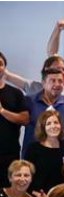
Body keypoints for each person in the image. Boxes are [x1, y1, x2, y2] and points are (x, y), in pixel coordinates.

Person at [24, 110, 64, 192]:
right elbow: (26, 175)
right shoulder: (33, 149)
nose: (53, 126)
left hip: (62, 194)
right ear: (43, 128)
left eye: (56, 123)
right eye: (48, 124)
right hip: (38, 195)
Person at [0, 51, 29, 187]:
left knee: (8, 190)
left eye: (0, 64)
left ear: (5, 68)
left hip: (9, 153)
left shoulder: (15, 93)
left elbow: (25, 119)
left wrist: (2, 111)